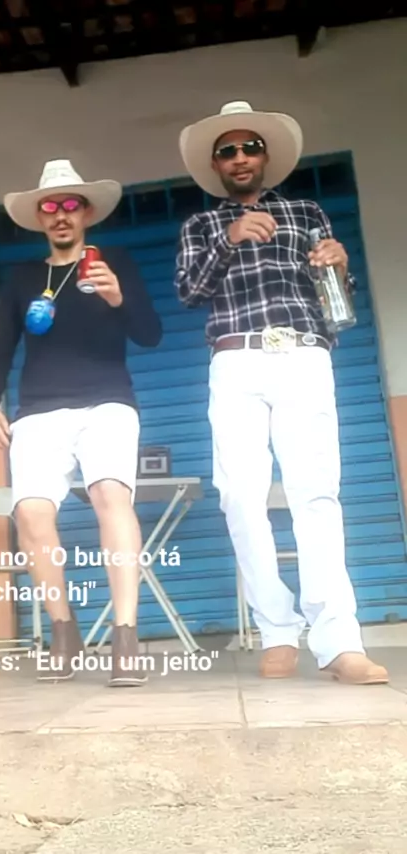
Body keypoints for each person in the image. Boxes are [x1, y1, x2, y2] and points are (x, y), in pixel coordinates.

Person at [174, 101, 388, 685]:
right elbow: (190, 293)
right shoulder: (200, 226)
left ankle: (339, 640)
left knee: (316, 493)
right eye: (228, 151)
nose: (240, 157)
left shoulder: (307, 211)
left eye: (250, 147)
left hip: (303, 353)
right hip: (235, 358)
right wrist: (230, 238)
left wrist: (339, 266)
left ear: (265, 155)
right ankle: (277, 631)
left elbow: (336, 301)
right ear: (216, 165)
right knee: (238, 496)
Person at [0, 159, 162, 686]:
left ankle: (125, 636)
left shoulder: (114, 263)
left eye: (71, 205)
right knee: (31, 513)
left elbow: (150, 334)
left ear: (86, 213)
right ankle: (63, 631)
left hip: (107, 402)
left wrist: (118, 297)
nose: (61, 214)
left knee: (110, 495)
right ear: (40, 217)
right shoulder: (24, 278)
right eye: (51, 206)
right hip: (38, 408)